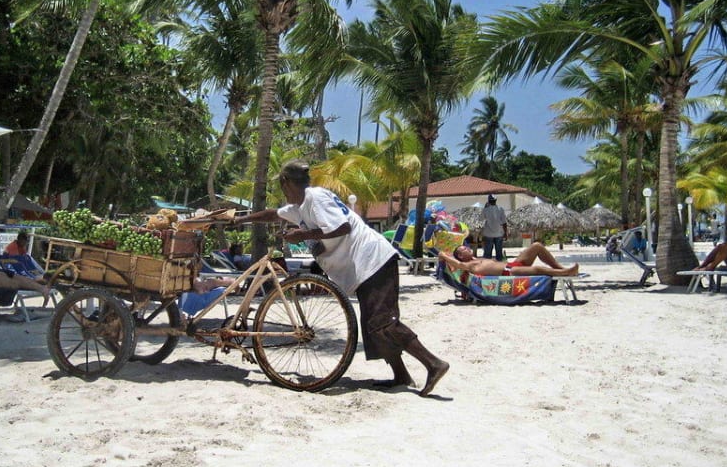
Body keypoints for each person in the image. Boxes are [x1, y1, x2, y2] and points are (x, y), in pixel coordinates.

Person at [232, 160, 449, 397]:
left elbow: (343, 227)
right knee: (374, 326)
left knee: (382, 321)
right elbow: (273, 214)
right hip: (363, 268)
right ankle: (401, 375)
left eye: (281, 186)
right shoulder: (300, 205)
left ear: (286, 183)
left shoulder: (315, 198)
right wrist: (240, 220)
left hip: (372, 260)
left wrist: (303, 234)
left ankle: (433, 364)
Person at [439, 242, 580, 277]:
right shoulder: (468, 265)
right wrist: (444, 256)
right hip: (509, 271)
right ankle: (564, 273)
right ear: (461, 256)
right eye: (462, 249)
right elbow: (456, 263)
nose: (466, 248)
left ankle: (561, 268)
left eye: (465, 246)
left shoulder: (479, 258)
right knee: (536, 269)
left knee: (537, 246)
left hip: (512, 264)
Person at [481, 193, 508, 260]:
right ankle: (499, 267)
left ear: (488, 201)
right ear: (496, 200)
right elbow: (504, 222)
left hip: (488, 234)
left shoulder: (485, 210)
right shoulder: (501, 209)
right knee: (499, 253)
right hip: (499, 233)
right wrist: (506, 233)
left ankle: (487, 267)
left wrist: (485, 207)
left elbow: (481, 219)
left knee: (487, 253)